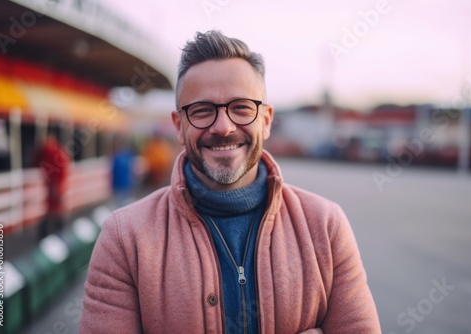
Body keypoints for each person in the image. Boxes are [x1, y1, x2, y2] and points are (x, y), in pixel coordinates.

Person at [80, 30, 381, 333]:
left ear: (266, 120)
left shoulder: (326, 226)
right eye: (202, 111)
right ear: (179, 127)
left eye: (241, 108)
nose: (223, 127)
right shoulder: (124, 238)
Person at [34, 132, 69, 239]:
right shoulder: (51, 153)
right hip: (54, 188)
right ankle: (57, 235)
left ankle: (54, 235)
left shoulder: (54, 153)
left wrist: (57, 187)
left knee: (55, 212)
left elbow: (61, 173)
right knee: (54, 212)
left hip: (55, 188)